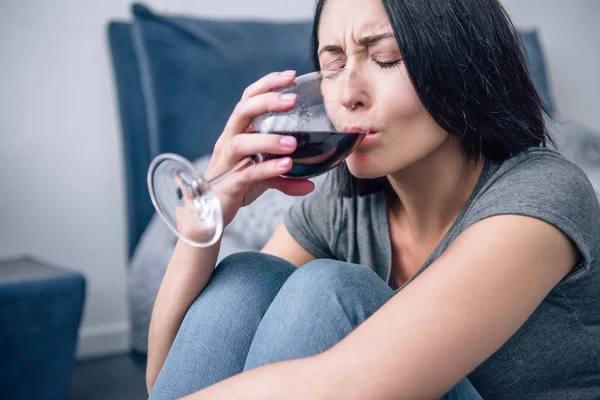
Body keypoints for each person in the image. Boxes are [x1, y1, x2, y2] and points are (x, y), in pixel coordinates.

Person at [146, 0, 600, 398]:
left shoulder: (544, 194)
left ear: (462, 65)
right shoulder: (347, 205)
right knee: (247, 276)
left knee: (328, 289)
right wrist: (201, 229)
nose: (347, 95)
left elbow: (345, 383)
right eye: (333, 64)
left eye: (385, 59)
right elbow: (167, 381)